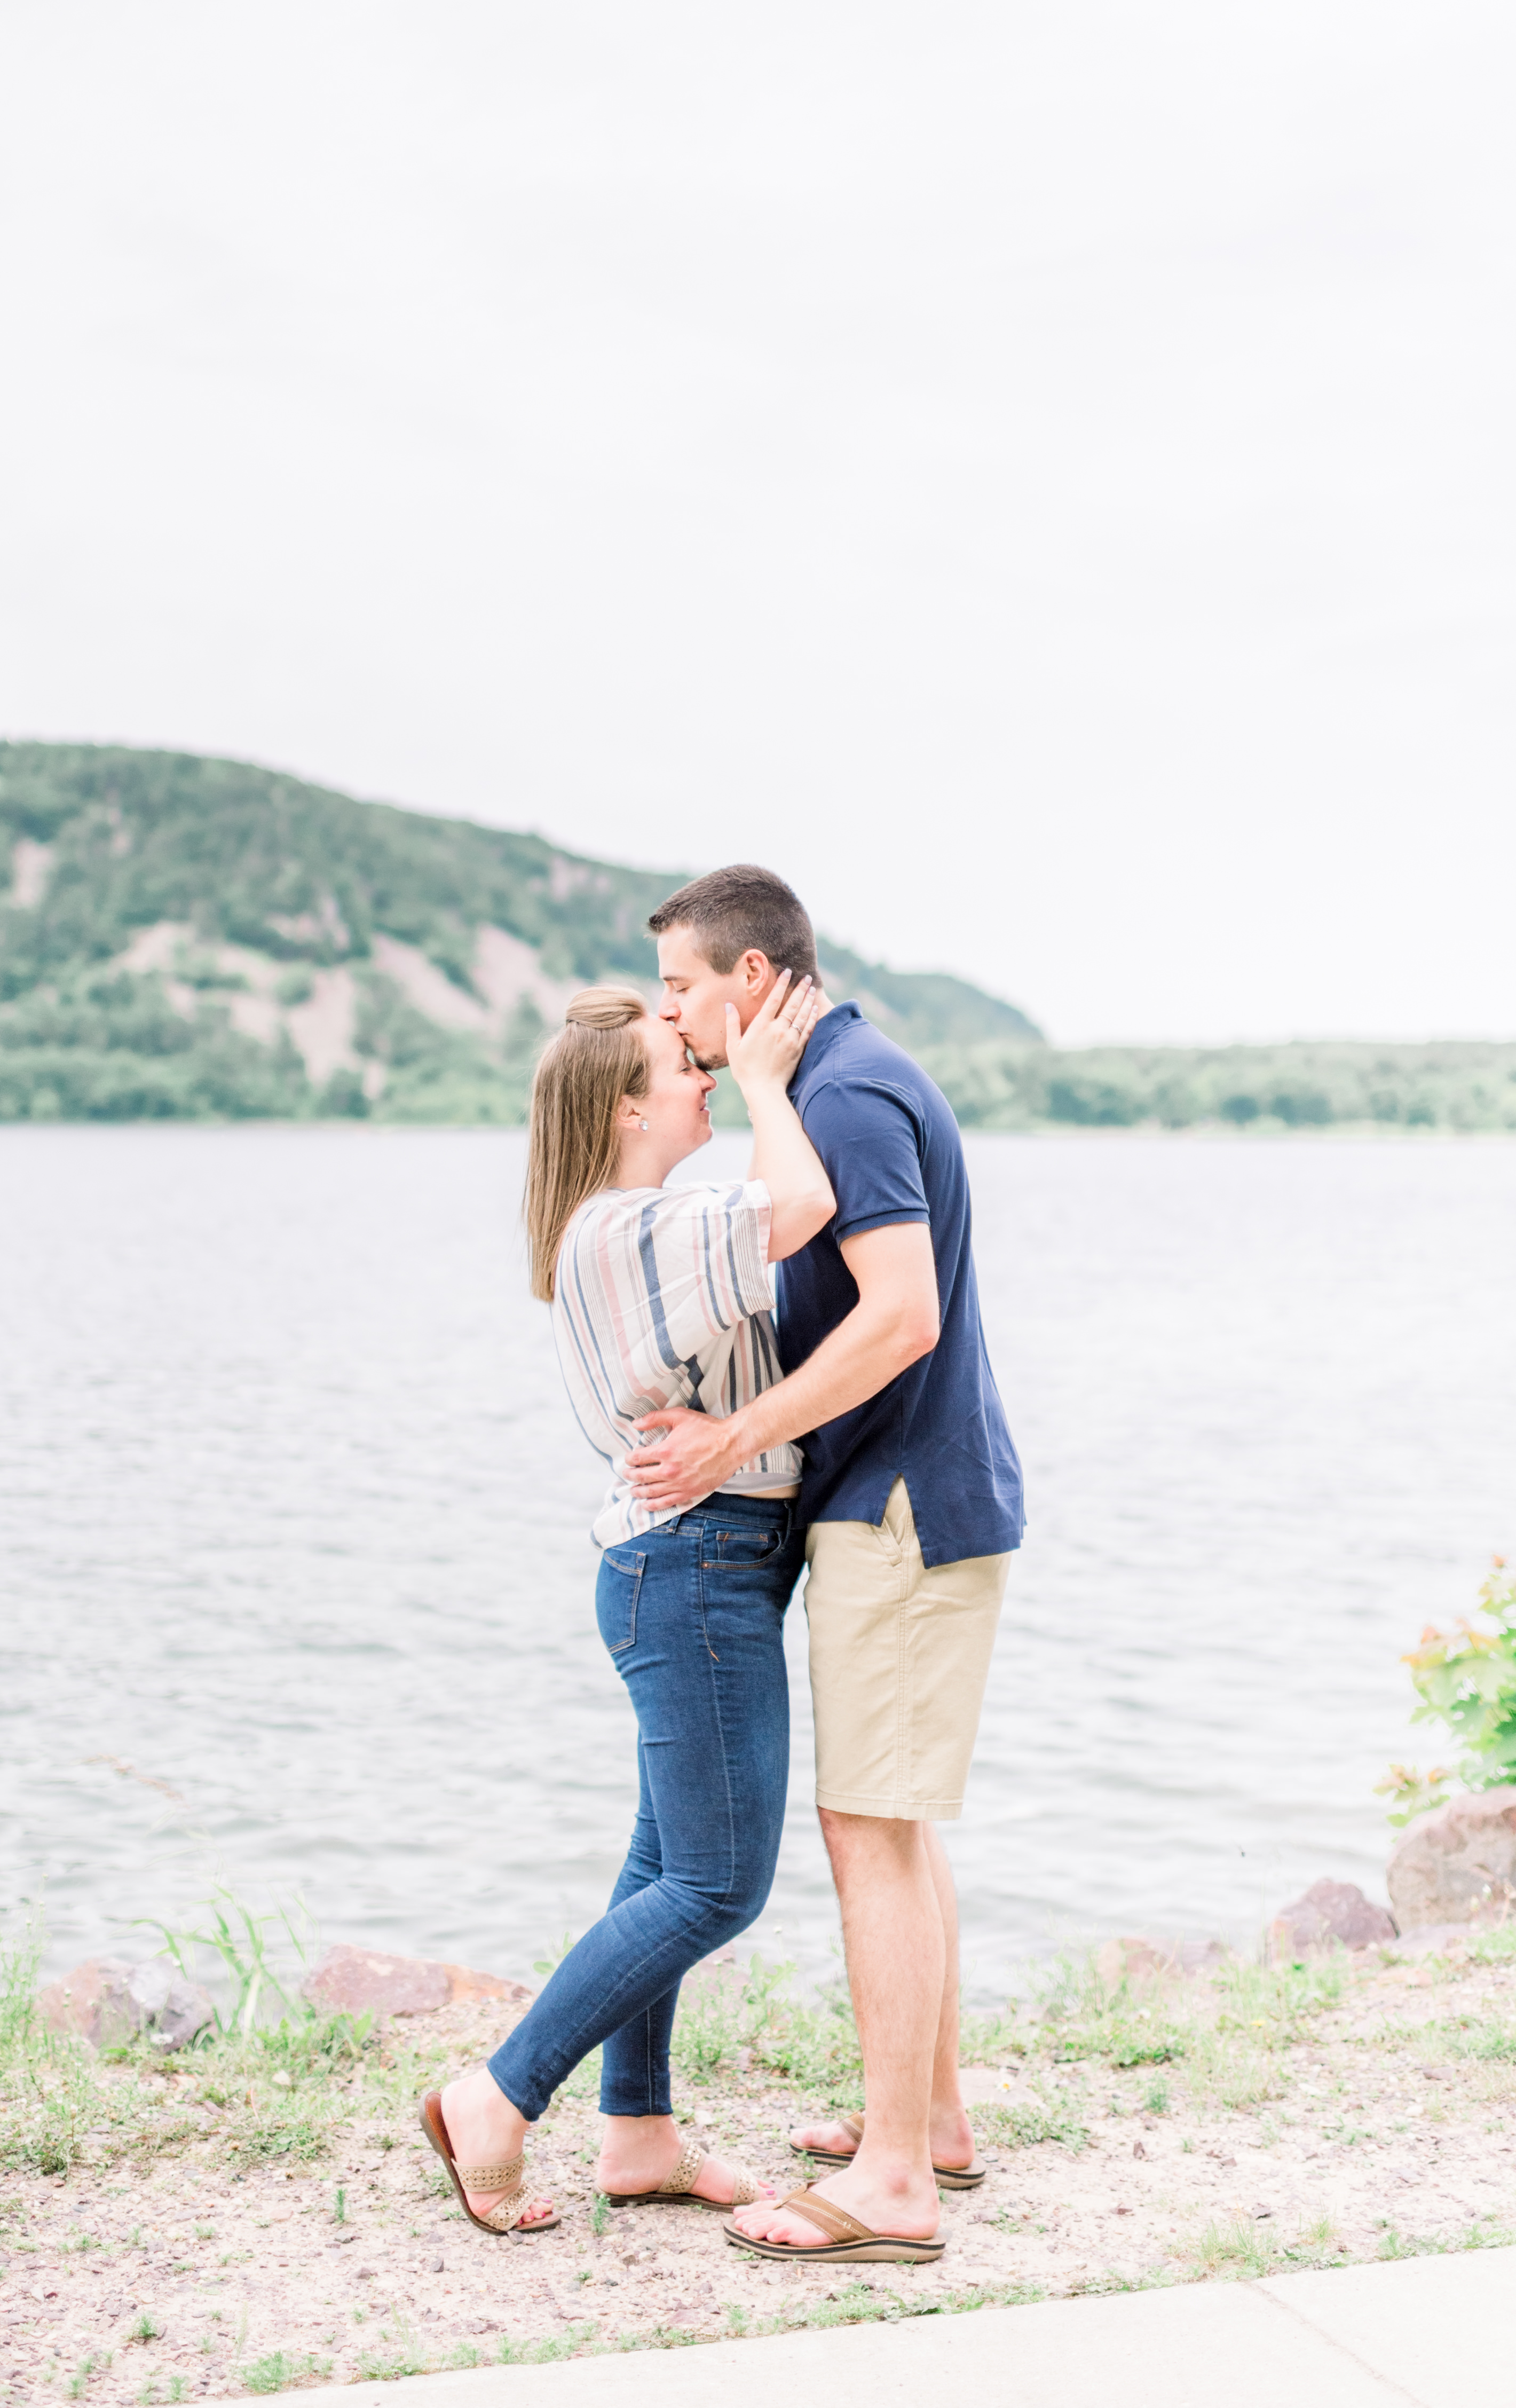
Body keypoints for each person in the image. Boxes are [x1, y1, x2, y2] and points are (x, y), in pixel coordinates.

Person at [626, 864, 1024, 2266]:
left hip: (901, 1510)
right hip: (906, 1504)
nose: (667, 1013)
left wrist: (732, 1433)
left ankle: (900, 2183)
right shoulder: (840, 1080)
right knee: (895, 1824)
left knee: (866, 1830)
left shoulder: (844, 1096)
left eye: (679, 986)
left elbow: (902, 1315)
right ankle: (933, 2121)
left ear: (744, 983)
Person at [420, 969, 835, 2236]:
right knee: (716, 1885)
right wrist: (770, 1081)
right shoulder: (630, 1226)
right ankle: (499, 2094)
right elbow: (807, 1201)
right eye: (683, 1064)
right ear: (622, 1107)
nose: (702, 1073)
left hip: (691, 1566)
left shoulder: (638, 1221)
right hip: (695, 1568)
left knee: (664, 1862)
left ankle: (638, 2132)